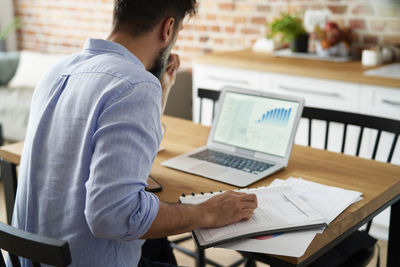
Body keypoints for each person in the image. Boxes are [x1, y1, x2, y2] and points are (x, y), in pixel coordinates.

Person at [10, 0, 258, 266]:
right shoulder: (134, 85)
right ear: (168, 28)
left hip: (32, 260)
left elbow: (119, 165)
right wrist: (206, 213)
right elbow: (114, 215)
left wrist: (159, 95)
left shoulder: (59, 70)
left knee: (156, 242)